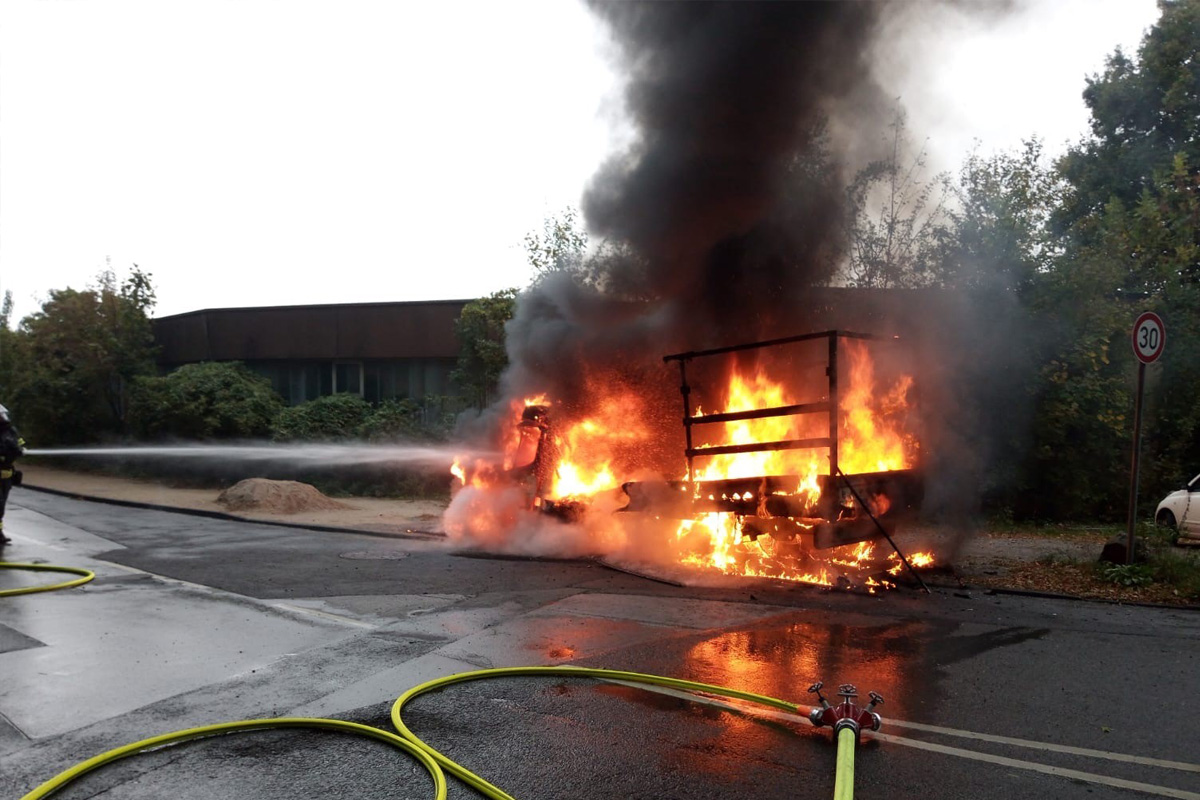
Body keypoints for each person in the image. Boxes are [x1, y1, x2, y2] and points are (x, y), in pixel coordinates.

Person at [0, 404, 25, 548]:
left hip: (7, 475)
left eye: (3, 415)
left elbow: (19, 443)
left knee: (1, 507)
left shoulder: (10, 430)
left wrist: (20, 449)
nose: (3, 417)